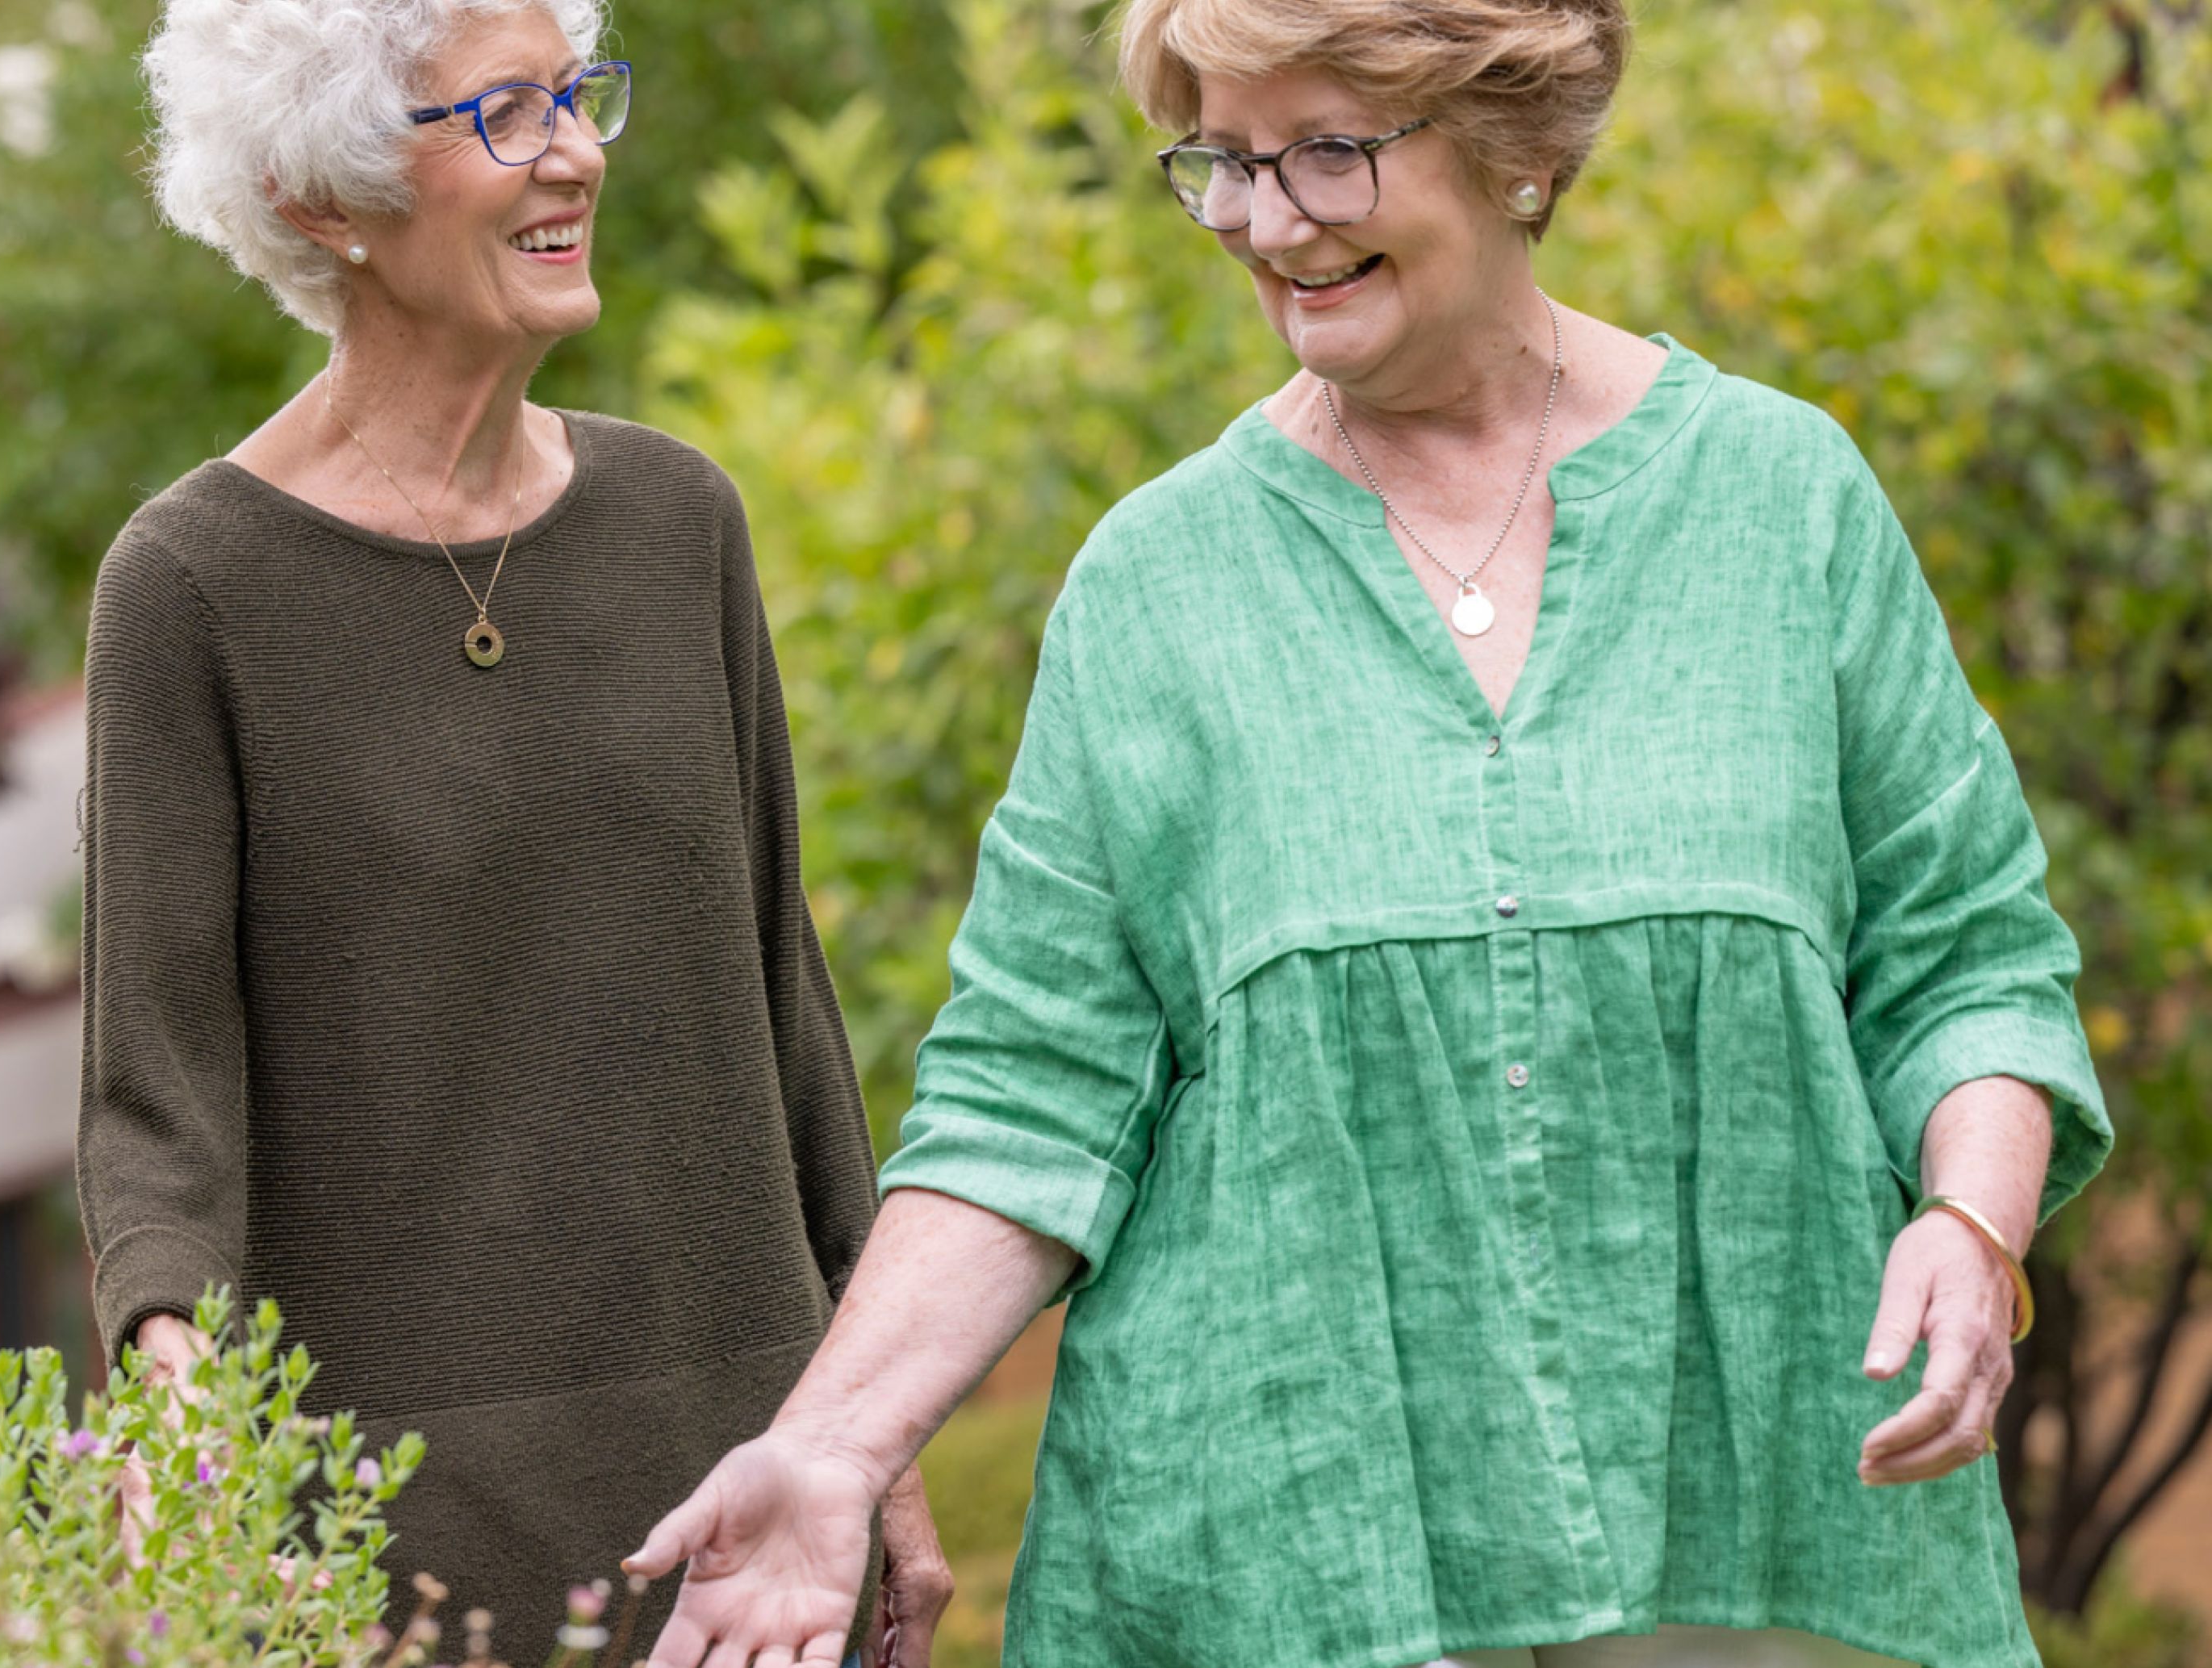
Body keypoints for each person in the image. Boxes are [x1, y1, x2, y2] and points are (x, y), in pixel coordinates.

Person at [621, 0, 2111, 1663]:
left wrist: (1973, 1225)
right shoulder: (1158, 585)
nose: (1268, 220)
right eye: (1227, 162)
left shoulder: (1785, 502)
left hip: (1775, 1526)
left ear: (1518, 146)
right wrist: (833, 1440)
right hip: (1299, 1570)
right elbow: (1033, 1093)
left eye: (1328, 149)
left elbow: (1967, 955)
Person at [77, 0, 947, 1657]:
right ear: (322, 194)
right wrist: (177, 1406)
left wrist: (870, 1421)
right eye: (505, 115)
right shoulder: (192, 588)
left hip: (748, 1501)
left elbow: (786, 1007)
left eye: (579, 95)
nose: (576, 152)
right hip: (403, 1525)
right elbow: (157, 1087)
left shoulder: (676, 521)